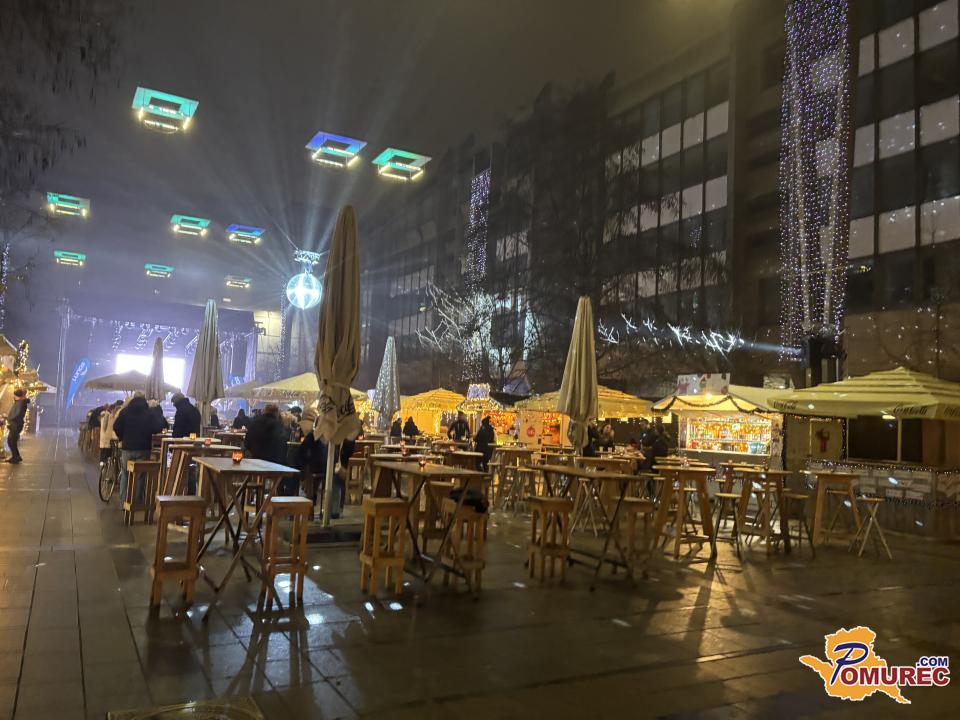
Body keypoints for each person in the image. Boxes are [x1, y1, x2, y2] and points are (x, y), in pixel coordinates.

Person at [113, 396, 164, 501]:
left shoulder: (125, 412)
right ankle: (136, 502)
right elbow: (158, 427)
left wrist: (122, 437)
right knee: (140, 475)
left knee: (125, 474)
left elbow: (116, 426)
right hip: (143, 448)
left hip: (127, 448)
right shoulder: (148, 413)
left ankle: (123, 502)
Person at [5, 389, 29, 464]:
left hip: (15, 424)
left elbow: (17, 413)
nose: (14, 396)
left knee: (11, 441)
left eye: (15, 395)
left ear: (18, 396)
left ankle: (16, 457)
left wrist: (9, 418)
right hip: (15, 424)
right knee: (12, 441)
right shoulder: (19, 402)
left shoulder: (20, 403)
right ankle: (16, 456)